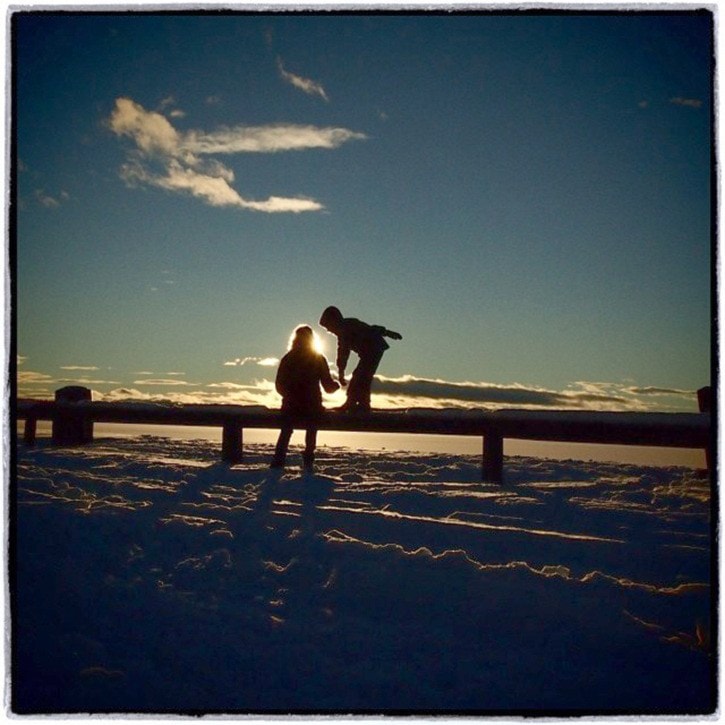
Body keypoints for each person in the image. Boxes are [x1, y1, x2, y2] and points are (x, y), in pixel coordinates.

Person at [270, 325, 339, 470]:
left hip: (290, 406)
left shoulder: (287, 359)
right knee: (312, 427)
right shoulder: (318, 358)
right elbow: (328, 386)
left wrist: (290, 396)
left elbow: (279, 385)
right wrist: (336, 385)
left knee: (286, 431)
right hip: (312, 406)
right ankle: (308, 461)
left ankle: (278, 461)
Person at [319, 306, 402, 412]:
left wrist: (388, 332)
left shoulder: (348, 326)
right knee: (362, 376)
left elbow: (370, 329)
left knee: (361, 376)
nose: (329, 331)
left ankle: (357, 403)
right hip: (370, 351)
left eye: (328, 327)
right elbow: (342, 352)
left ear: (334, 321)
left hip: (374, 348)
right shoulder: (343, 332)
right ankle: (358, 403)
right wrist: (341, 371)